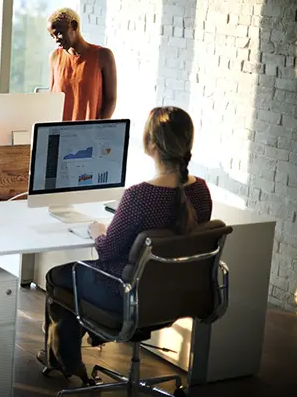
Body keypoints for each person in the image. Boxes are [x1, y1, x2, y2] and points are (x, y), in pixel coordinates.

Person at [39, 106, 212, 383]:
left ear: (151, 143)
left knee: (58, 276)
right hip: (175, 296)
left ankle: (65, 361)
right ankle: (71, 353)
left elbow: (107, 250)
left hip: (124, 293)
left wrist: (98, 230)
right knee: (74, 275)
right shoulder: (201, 190)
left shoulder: (139, 196)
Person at [47, 8, 117, 121]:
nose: (56, 40)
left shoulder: (104, 56)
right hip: (60, 131)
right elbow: (52, 96)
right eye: (52, 36)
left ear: (74, 26)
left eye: (59, 33)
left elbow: (111, 99)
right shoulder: (55, 57)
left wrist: (99, 128)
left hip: (90, 132)